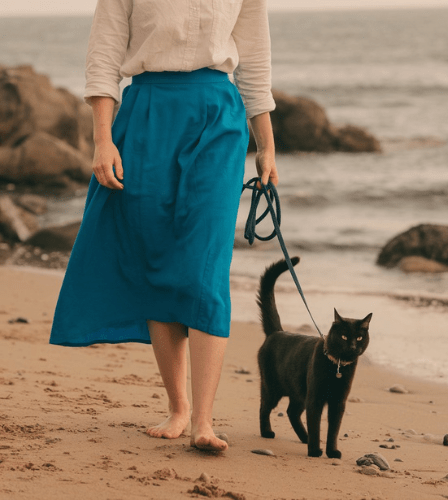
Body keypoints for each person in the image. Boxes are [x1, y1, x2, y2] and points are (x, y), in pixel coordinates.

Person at [49, 0, 278, 452]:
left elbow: (254, 62)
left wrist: (267, 145)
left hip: (217, 115)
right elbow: (104, 58)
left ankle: (205, 423)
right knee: (158, 257)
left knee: (205, 266)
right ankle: (179, 408)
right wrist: (102, 140)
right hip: (147, 114)